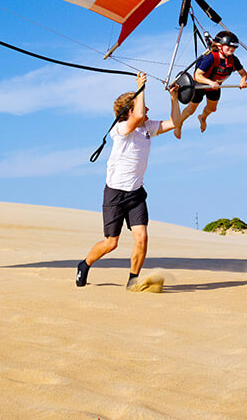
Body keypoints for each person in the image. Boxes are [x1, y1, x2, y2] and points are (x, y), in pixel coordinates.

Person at [76, 72, 180, 291]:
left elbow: (175, 122)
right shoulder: (121, 129)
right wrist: (141, 87)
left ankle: (133, 280)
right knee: (111, 243)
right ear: (130, 111)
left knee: (141, 238)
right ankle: (84, 264)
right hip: (115, 194)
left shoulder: (146, 128)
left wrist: (174, 98)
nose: (147, 109)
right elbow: (140, 113)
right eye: (142, 105)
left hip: (135, 194)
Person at [178, 30, 247, 133]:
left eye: (234, 48)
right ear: (220, 46)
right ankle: (179, 123)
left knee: (212, 108)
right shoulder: (210, 58)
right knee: (191, 109)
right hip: (200, 85)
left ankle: (202, 117)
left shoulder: (234, 60)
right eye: (228, 46)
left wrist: (243, 81)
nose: (232, 49)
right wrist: (210, 83)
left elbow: (244, 74)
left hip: (214, 87)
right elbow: (197, 76)